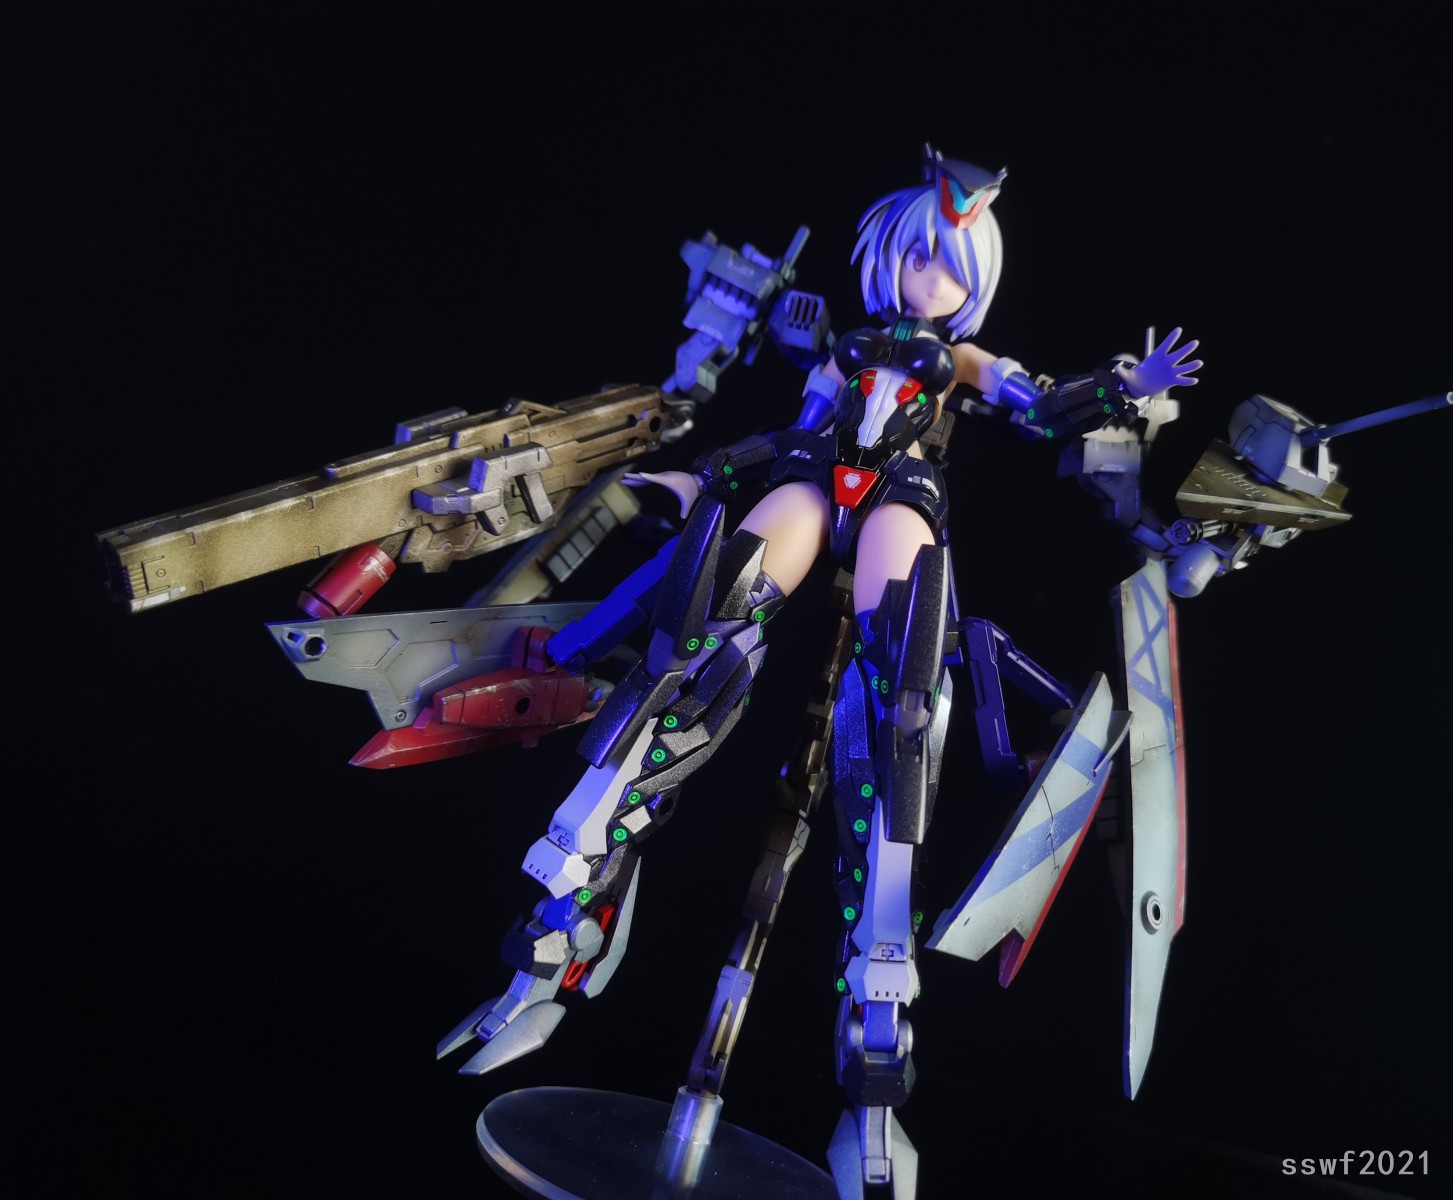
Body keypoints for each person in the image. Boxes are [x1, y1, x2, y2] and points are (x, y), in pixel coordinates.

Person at [439, 145, 1202, 1196]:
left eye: (949, 266)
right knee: (696, 644)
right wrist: (699, 480)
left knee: (900, 718)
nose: (928, 278)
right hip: (809, 477)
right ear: (887, 251)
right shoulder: (840, 347)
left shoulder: (962, 361)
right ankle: (549, 947)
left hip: (900, 497)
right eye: (918, 257)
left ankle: (874, 1087)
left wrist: (1124, 389)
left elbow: (1038, 407)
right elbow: (790, 430)